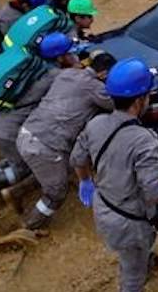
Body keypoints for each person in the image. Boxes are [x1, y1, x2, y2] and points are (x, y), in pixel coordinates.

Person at [71, 57, 158, 292]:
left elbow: (77, 158)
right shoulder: (144, 140)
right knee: (132, 278)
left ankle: (147, 257)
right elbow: (156, 193)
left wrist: (85, 181)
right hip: (129, 224)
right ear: (139, 100)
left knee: (136, 253)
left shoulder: (96, 123)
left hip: (104, 208)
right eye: (148, 95)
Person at [0, 32, 80, 202]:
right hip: (10, 131)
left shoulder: (34, 65)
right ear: (60, 57)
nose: (73, 55)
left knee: (12, 159)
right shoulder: (54, 76)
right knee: (26, 167)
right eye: (69, 53)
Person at [16, 52, 117, 229]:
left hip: (26, 132)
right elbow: (117, 106)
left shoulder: (67, 73)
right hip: (46, 146)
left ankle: (13, 192)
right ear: (105, 74)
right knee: (56, 192)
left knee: (57, 170)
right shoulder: (95, 87)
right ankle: (29, 228)